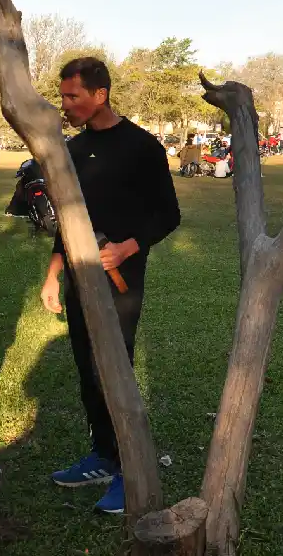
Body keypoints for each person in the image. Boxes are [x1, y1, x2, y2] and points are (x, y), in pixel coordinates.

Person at [40, 57, 181, 515]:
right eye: (62, 96)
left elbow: (168, 214)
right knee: (86, 366)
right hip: (81, 276)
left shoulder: (143, 147)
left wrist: (126, 248)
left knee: (113, 369)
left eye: (72, 96)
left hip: (122, 278)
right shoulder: (74, 151)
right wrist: (53, 272)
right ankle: (103, 454)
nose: (66, 105)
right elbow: (69, 218)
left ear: (100, 94)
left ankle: (129, 470)